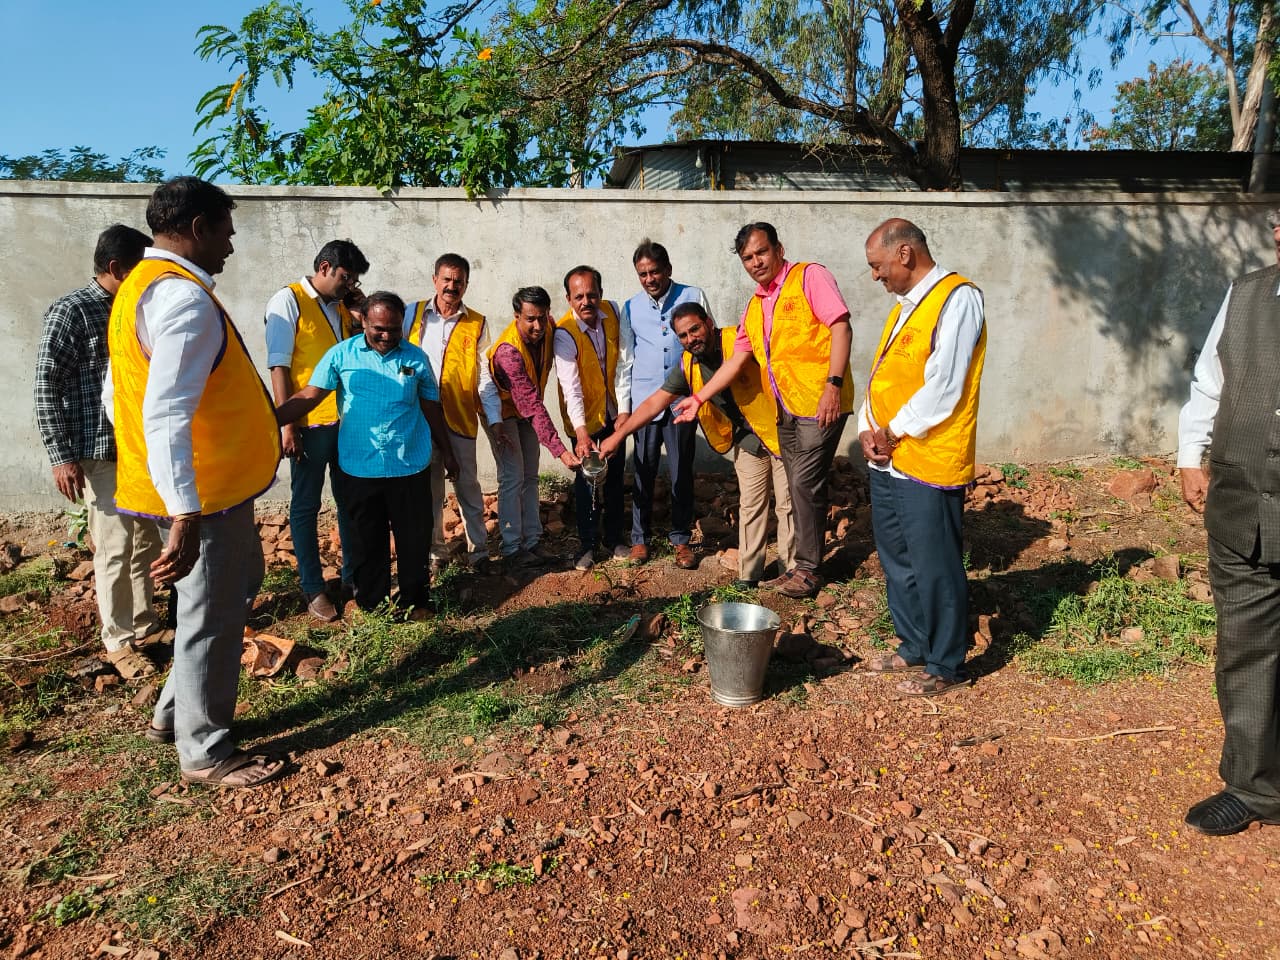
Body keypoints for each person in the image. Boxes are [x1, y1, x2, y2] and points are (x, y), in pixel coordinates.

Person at [104, 176, 284, 788]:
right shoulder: (182, 302)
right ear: (200, 227)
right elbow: (166, 413)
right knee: (212, 612)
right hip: (201, 498)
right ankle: (205, 750)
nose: (231, 247)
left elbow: (118, 396)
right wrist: (185, 512)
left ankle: (173, 714)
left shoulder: (138, 291)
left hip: (191, 489)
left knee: (228, 592)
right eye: (227, 233)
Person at [674, 222, 853, 598]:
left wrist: (833, 387)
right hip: (784, 412)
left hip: (818, 404)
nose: (756, 262)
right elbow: (736, 362)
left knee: (802, 485)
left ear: (779, 248)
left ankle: (806, 569)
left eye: (761, 252)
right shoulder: (755, 307)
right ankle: (797, 568)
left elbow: (840, 326)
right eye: (748, 258)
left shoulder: (809, 277)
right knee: (795, 488)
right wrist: (700, 397)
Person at [1177, 207, 1280, 835]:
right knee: (1246, 650)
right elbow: (1209, 381)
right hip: (1243, 502)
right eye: (1279, 221)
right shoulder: (1245, 294)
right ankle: (1253, 786)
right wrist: (1192, 457)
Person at [857, 218, 986, 698]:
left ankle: (946, 662)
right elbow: (885, 375)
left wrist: (890, 431)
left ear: (905, 254)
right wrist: (868, 428)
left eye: (878, 266)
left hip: (928, 457)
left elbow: (946, 387)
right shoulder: (904, 307)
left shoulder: (958, 299)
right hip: (889, 455)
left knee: (935, 563)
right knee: (898, 559)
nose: (876, 276)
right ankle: (913, 642)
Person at [34, 224, 164, 680]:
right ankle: (119, 642)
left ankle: (145, 626)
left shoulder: (134, 308)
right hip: (100, 447)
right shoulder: (72, 312)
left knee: (145, 538)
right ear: (115, 268)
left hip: (138, 446)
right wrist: (60, 455)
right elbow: (46, 385)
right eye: (137, 270)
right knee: (114, 543)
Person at [275, 292, 457, 617]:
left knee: (413, 540)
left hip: (408, 466)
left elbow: (431, 405)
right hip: (359, 469)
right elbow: (310, 394)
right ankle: (373, 606)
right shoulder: (341, 356)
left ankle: (415, 600)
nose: (386, 336)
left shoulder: (415, 358)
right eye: (378, 329)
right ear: (363, 322)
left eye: (394, 329)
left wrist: (448, 451)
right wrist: (273, 419)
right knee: (367, 543)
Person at [600, 302, 792, 587]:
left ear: (709, 324)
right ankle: (750, 575)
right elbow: (654, 403)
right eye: (683, 335)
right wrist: (617, 437)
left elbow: (752, 365)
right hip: (747, 438)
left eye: (695, 329)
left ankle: (791, 572)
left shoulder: (737, 339)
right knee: (751, 505)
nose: (691, 339)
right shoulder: (688, 365)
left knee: (787, 505)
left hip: (779, 429)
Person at [265, 239, 368, 622]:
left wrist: (359, 309)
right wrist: (286, 424)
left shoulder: (342, 305)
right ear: (324, 268)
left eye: (353, 279)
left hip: (345, 422)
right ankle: (312, 586)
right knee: (306, 505)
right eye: (345, 277)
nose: (349, 284)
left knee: (349, 502)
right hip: (308, 424)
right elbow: (279, 365)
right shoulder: (288, 301)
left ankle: (351, 578)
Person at [405, 254, 499, 575]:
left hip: (459, 417)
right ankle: (436, 553)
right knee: (429, 489)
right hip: (420, 420)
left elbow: (484, 375)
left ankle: (479, 552)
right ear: (434, 280)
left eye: (458, 281)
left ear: (466, 285)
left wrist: (492, 416)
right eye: (446, 279)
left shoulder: (478, 323)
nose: (451, 286)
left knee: (468, 485)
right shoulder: (412, 315)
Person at [622, 240, 709, 569]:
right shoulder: (630, 307)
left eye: (654, 271)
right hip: (644, 400)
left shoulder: (693, 296)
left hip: (682, 401)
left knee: (680, 472)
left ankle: (681, 538)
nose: (649, 279)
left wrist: (703, 395)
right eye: (642, 274)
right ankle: (639, 539)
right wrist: (625, 408)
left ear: (668, 270)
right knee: (643, 471)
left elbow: (707, 343)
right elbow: (625, 360)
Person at [480, 286, 581, 565]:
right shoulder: (508, 353)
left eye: (541, 317)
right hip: (500, 412)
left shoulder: (549, 327)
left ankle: (533, 542)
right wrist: (560, 450)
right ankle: (512, 550)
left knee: (531, 475)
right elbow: (532, 406)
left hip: (526, 407)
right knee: (513, 475)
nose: (537, 326)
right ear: (516, 317)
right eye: (529, 319)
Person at [555, 266, 634, 571]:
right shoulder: (564, 334)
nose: (586, 301)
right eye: (579, 296)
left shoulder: (613, 312)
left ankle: (613, 538)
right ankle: (586, 544)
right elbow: (571, 388)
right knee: (587, 479)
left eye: (592, 294)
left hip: (615, 411)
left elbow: (625, 360)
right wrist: (582, 433)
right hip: (583, 419)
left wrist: (624, 410)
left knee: (614, 476)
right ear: (569, 298)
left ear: (601, 293)